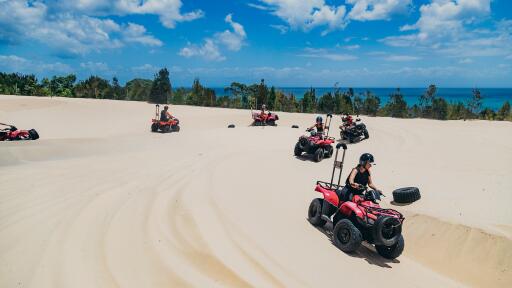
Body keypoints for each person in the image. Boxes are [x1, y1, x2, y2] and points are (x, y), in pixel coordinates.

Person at [321, 153, 381, 218]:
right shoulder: (355, 170)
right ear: (364, 162)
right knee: (348, 202)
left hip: (358, 192)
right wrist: (354, 184)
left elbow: (370, 184)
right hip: (349, 191)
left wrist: (376, 189)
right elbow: (351, 180)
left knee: (364, 203)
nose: (370, 165)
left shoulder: (368, 172)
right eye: (369, 163)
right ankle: (335, 215)